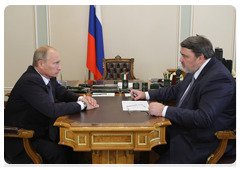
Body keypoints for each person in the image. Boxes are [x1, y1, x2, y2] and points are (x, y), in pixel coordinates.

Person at [131, 35, 238, 166]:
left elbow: (204, 118)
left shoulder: (219, 78)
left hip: (204, 142)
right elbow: (176, 90)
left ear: (200, 57)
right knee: (146, 135)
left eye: (185, 56)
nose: (181, 60)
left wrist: (164, 110)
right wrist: (146, 95)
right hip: (186, 130)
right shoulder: (198, 68)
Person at [4, 46, 99, 167]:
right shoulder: (30, 81)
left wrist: (80, 98)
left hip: (40, 132)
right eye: (55, 63)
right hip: (23, 138)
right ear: (41, 64)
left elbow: (62, 93)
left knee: (73, 145)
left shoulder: (48, 76)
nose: (60, 67)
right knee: (57, 152)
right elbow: (51, 110)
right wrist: (83, 105)